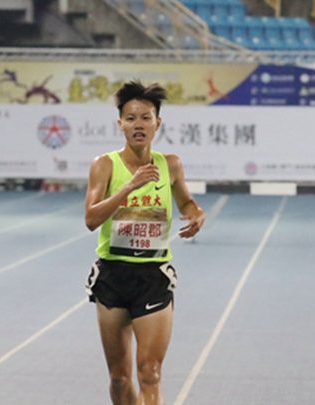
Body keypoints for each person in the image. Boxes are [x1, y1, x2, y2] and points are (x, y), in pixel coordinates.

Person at [84, 81, 205, 404]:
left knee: (150, 372)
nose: (138, 124)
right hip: (113, 275)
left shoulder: (171, 164)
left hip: (153, 275)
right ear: (120, 124)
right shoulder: (104, 165)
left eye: (145, 118)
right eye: (131, 118)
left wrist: (195, 214)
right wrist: (128, 188)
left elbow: (186, 202)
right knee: (120, 379)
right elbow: (91, 219)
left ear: (157, 123)